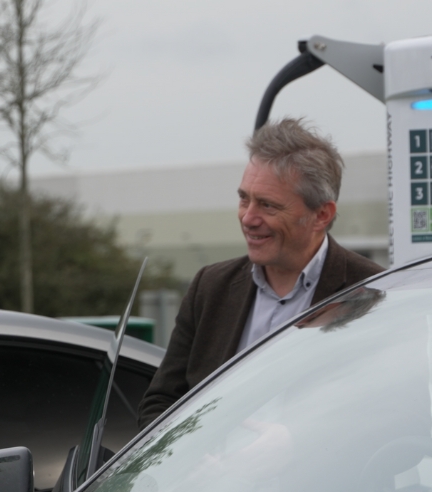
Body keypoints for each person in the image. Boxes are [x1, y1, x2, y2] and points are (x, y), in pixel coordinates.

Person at [138, 118, 384, 428]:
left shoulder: (372, 295)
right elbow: (161, 403)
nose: (248, 218)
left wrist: (294, 447)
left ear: (321, 214)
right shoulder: (211, 287)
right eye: (244, 199)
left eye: (267, 205)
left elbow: (396, 419)